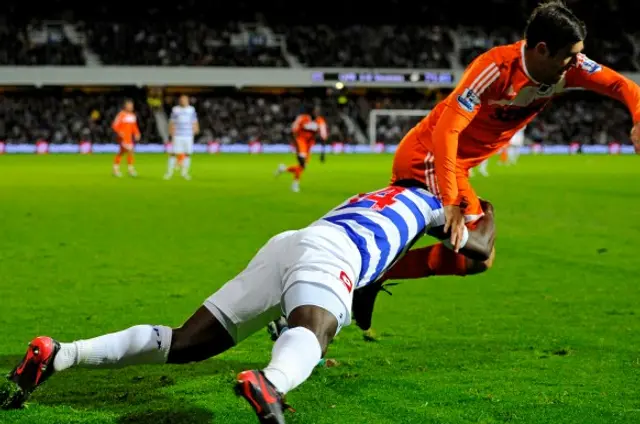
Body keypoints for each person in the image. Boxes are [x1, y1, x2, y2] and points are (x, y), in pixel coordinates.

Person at [4, 183, 494, 423]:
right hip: (334, 255)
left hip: (292, 243)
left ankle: (60, 353)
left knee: (186, 342)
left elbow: (365, 297)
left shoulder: (376, 194)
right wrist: (483, 211)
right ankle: (271, 382)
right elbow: (479, 249)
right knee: (315, 332)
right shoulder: (436, 204)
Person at [347, 0, 640, 334]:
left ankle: (372, 276)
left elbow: (622, 85)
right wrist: (449, 200)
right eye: (570, 55)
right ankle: (354, 272)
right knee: (478, 246)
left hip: (458, 167)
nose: (577, 62)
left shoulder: (570, 69)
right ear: (542, 49)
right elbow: (447, 130)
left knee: (479, 260)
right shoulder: (495, 69)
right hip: (429, 156)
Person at [275, 105, 327, 193]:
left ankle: (283, 169)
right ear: (311, 112)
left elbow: (323, 137)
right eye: (315, 111)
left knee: (302, 166)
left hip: (309, 145)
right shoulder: (302, 118)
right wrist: (295, 144)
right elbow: (294, 130)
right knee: (302, 163)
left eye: (318, 111)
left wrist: (322, 154)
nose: (317, 113)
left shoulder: (320, 121)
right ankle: (295, 185)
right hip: (300, 141)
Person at [165, 95, 199, 180]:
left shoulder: (191, 109)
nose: (183, 101)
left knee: (187, 153)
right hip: (178, 134)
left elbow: (194, 120)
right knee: (173, 153)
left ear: (187, 100)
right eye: (181, 100)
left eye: (184, 100)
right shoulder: (175, 109)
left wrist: (196, 128)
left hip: (188, 135)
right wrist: (171, 132)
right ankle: (169, 173)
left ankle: (184, 173)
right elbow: (172, 121)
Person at [112, 99, 141, 177]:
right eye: (129, 105)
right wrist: (119, 132)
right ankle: (130, 169)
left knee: (122, 152)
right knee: (130, 151)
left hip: (129, 138)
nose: (131, 107)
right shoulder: (121, 115)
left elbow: (134, 126)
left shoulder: (133, 116)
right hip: (122, 138)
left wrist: (137, 133)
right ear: (125, 106)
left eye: (132, 105)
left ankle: (116, 168)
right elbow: (114, 125)